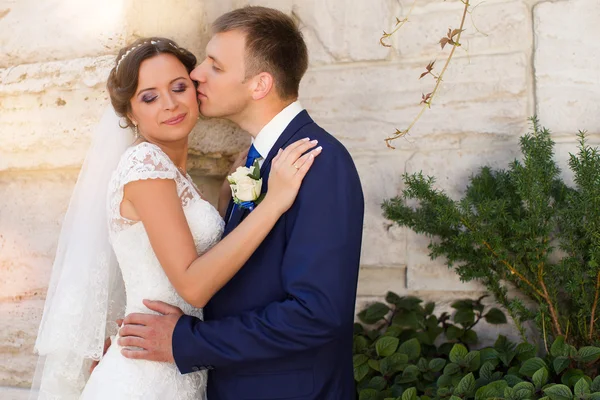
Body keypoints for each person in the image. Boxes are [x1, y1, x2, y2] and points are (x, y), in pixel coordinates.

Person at [30, 36, 321, 400]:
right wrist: (273, 203)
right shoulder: (145, 166)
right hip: (145, 379)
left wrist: (225, 201)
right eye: (149, 97)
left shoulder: (173, 175)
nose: (169, 104)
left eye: (179, 87)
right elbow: (193, 285)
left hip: (178, 365)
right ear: (131, 113)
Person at [118, 6, 365, 399]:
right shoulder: (257, 161)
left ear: (259, 84)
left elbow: (316, 315)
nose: (196, 74)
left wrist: (190, 341)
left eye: (215, 66)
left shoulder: (318, 162)